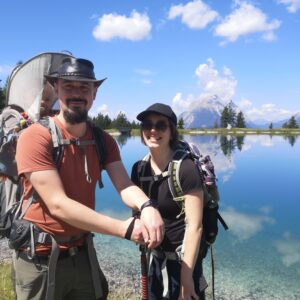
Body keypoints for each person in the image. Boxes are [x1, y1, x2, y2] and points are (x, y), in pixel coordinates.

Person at [14, 58, 164, 300]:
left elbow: (124, 185)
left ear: (94, 94)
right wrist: (123, 229)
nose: (77, 94)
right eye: (69, 87)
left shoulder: (103, 141)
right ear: (56, 90)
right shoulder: (35, 137)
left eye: (84, 88)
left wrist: (147, 206)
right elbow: (57, 204)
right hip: (39, 256)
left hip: (83, 251)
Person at [131, 103, 207, 300]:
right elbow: (136, 214)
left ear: (172, 131)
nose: (153, 130)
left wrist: (186, 279)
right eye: (147, 125)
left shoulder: (186, 169)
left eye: (161, 125)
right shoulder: (139, 169)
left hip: (185, 262)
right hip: (156, 259)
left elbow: (195, 227)